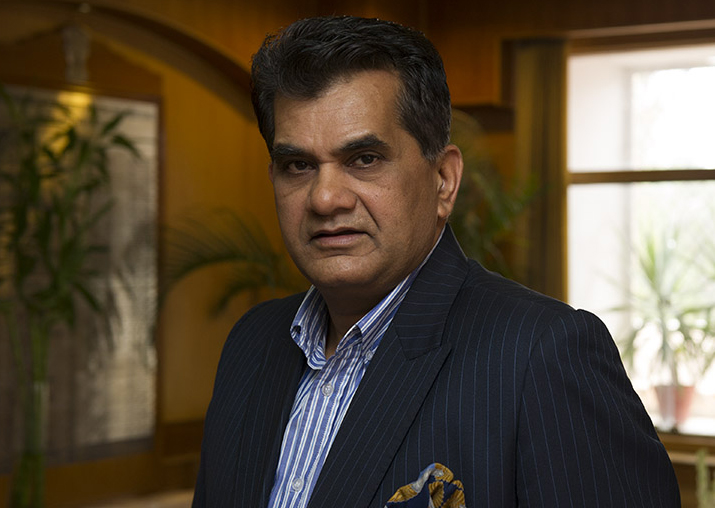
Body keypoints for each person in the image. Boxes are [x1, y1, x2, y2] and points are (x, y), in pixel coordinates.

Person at [192, 15, 680, 508]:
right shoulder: (252, 344)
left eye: (364, 159)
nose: (324, 198)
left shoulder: (540, 354)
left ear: (444, 180)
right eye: (298, 165)